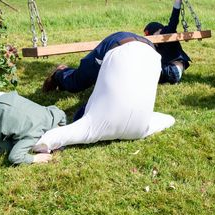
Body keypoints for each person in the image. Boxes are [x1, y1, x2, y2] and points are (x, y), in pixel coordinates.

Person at [32, 32, 175, 153]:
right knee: (78, 81)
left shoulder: (139, 128)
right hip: (131, 46)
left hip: (146, 50)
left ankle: (59, 73)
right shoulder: (139, 129)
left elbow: (168, 119)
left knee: (80, 83)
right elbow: (48, 140)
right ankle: (61, 74)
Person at [0, 90, 66, 165]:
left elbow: (61, 114)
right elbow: (15, 157)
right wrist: (35, 158)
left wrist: (62, 127)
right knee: (8, 148)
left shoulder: (51, 115)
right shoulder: (33, 135)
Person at [42, 31, 155, 93]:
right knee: (77, 83)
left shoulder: (154, 66)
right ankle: (60, 73)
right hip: (115, 45)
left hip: (137, 43)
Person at [144, 0, 192, 84]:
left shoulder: (167, 33)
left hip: (173, 71)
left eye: (152, 35)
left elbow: (174, 19)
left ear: (158, 30)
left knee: (145, 72)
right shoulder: (157, 46)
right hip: (168, 70)